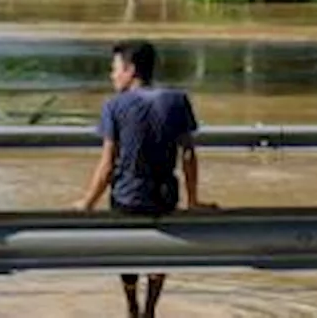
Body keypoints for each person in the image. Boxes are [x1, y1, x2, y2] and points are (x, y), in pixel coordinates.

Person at [73, 41, 217, 318]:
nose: (112, 75)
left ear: (130, 70)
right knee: (161, 252)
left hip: (127, 198)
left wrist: (87, 203)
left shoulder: (114, 106)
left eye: (114, 69)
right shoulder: (177, 100)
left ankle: (131, 306)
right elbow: (188, 154)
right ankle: (151, 309)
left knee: (125, 251)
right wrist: (194, 199)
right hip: (164, 196)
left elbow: (107, 164)